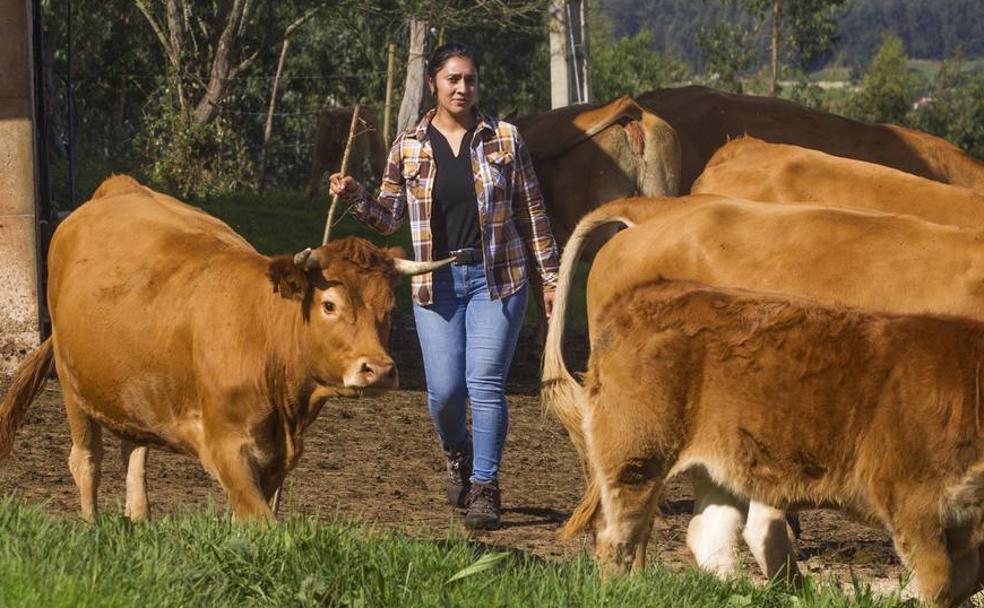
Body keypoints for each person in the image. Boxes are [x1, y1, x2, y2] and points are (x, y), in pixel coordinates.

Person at [329, 43, 560, 530]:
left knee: (485, 383)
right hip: (436, 283)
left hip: (498, 279)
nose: (462, 88)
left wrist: (551, 279)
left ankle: (484, 486)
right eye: (453, 79)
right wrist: (354, 195)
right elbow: (388, 218)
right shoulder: (408, 145)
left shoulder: (505, 139)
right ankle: (459, 453)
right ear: (435, 82)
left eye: (470, 80)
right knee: (445, 393)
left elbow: (532, 212)